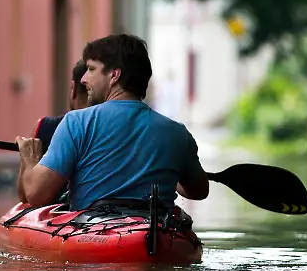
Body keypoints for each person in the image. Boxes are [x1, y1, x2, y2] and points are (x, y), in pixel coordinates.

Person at [15, 34, 210, 211]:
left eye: (91, 69)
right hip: (155, 236)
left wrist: (30, 159)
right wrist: (167, 170)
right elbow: (198, 191)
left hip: (91, 236)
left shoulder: (76, 122)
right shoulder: (177, 133)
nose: (83, 78)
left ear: (114, 75)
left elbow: (36, 195)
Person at [16, 59, 89, 204]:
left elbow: (25, 195)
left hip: (59, 217)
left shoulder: (46, 127)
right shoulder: (115, 128)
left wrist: (28, 161)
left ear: (73, 89)